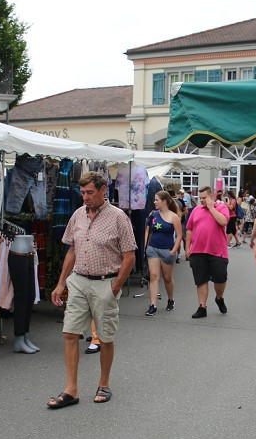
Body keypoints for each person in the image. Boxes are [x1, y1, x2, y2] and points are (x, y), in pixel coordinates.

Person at [47, 172, 136, 409]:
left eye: (90, 192)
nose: (85, 197)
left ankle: (104, 383)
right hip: (78, 280)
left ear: (103, 189)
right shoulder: (77, 215)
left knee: (105, 336)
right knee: (70, 334)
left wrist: (115, 286)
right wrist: (60, 283)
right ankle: (71, 390)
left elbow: (129, 256)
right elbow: (72, 250)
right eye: (82, 193)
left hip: (105, 282)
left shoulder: (118, 217)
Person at [185, 185, 230, 318]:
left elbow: (223, 221)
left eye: (204, 198)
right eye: (200, 198)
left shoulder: (221, 208)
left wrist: (211, 208)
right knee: (201, 280)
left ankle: (219, 298)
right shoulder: (196, 210)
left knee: (220, 278)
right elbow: (189, 229)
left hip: (217, 251)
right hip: (198, 251)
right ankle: (202, 307)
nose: (202, 201)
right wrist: (187, 248)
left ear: (211, 196)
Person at [143, 190, 182, 315]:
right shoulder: (153, 214)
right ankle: (152, 305)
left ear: (164, 201)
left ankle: (171, 299)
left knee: (167, 278)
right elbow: (147, 231)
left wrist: (173, 251)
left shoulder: (173, 216)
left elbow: (179, 235)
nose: (154, 202)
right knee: (154, 276)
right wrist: (146, 247)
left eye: (156, 200)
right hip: (153, 249)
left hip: (167, 250)